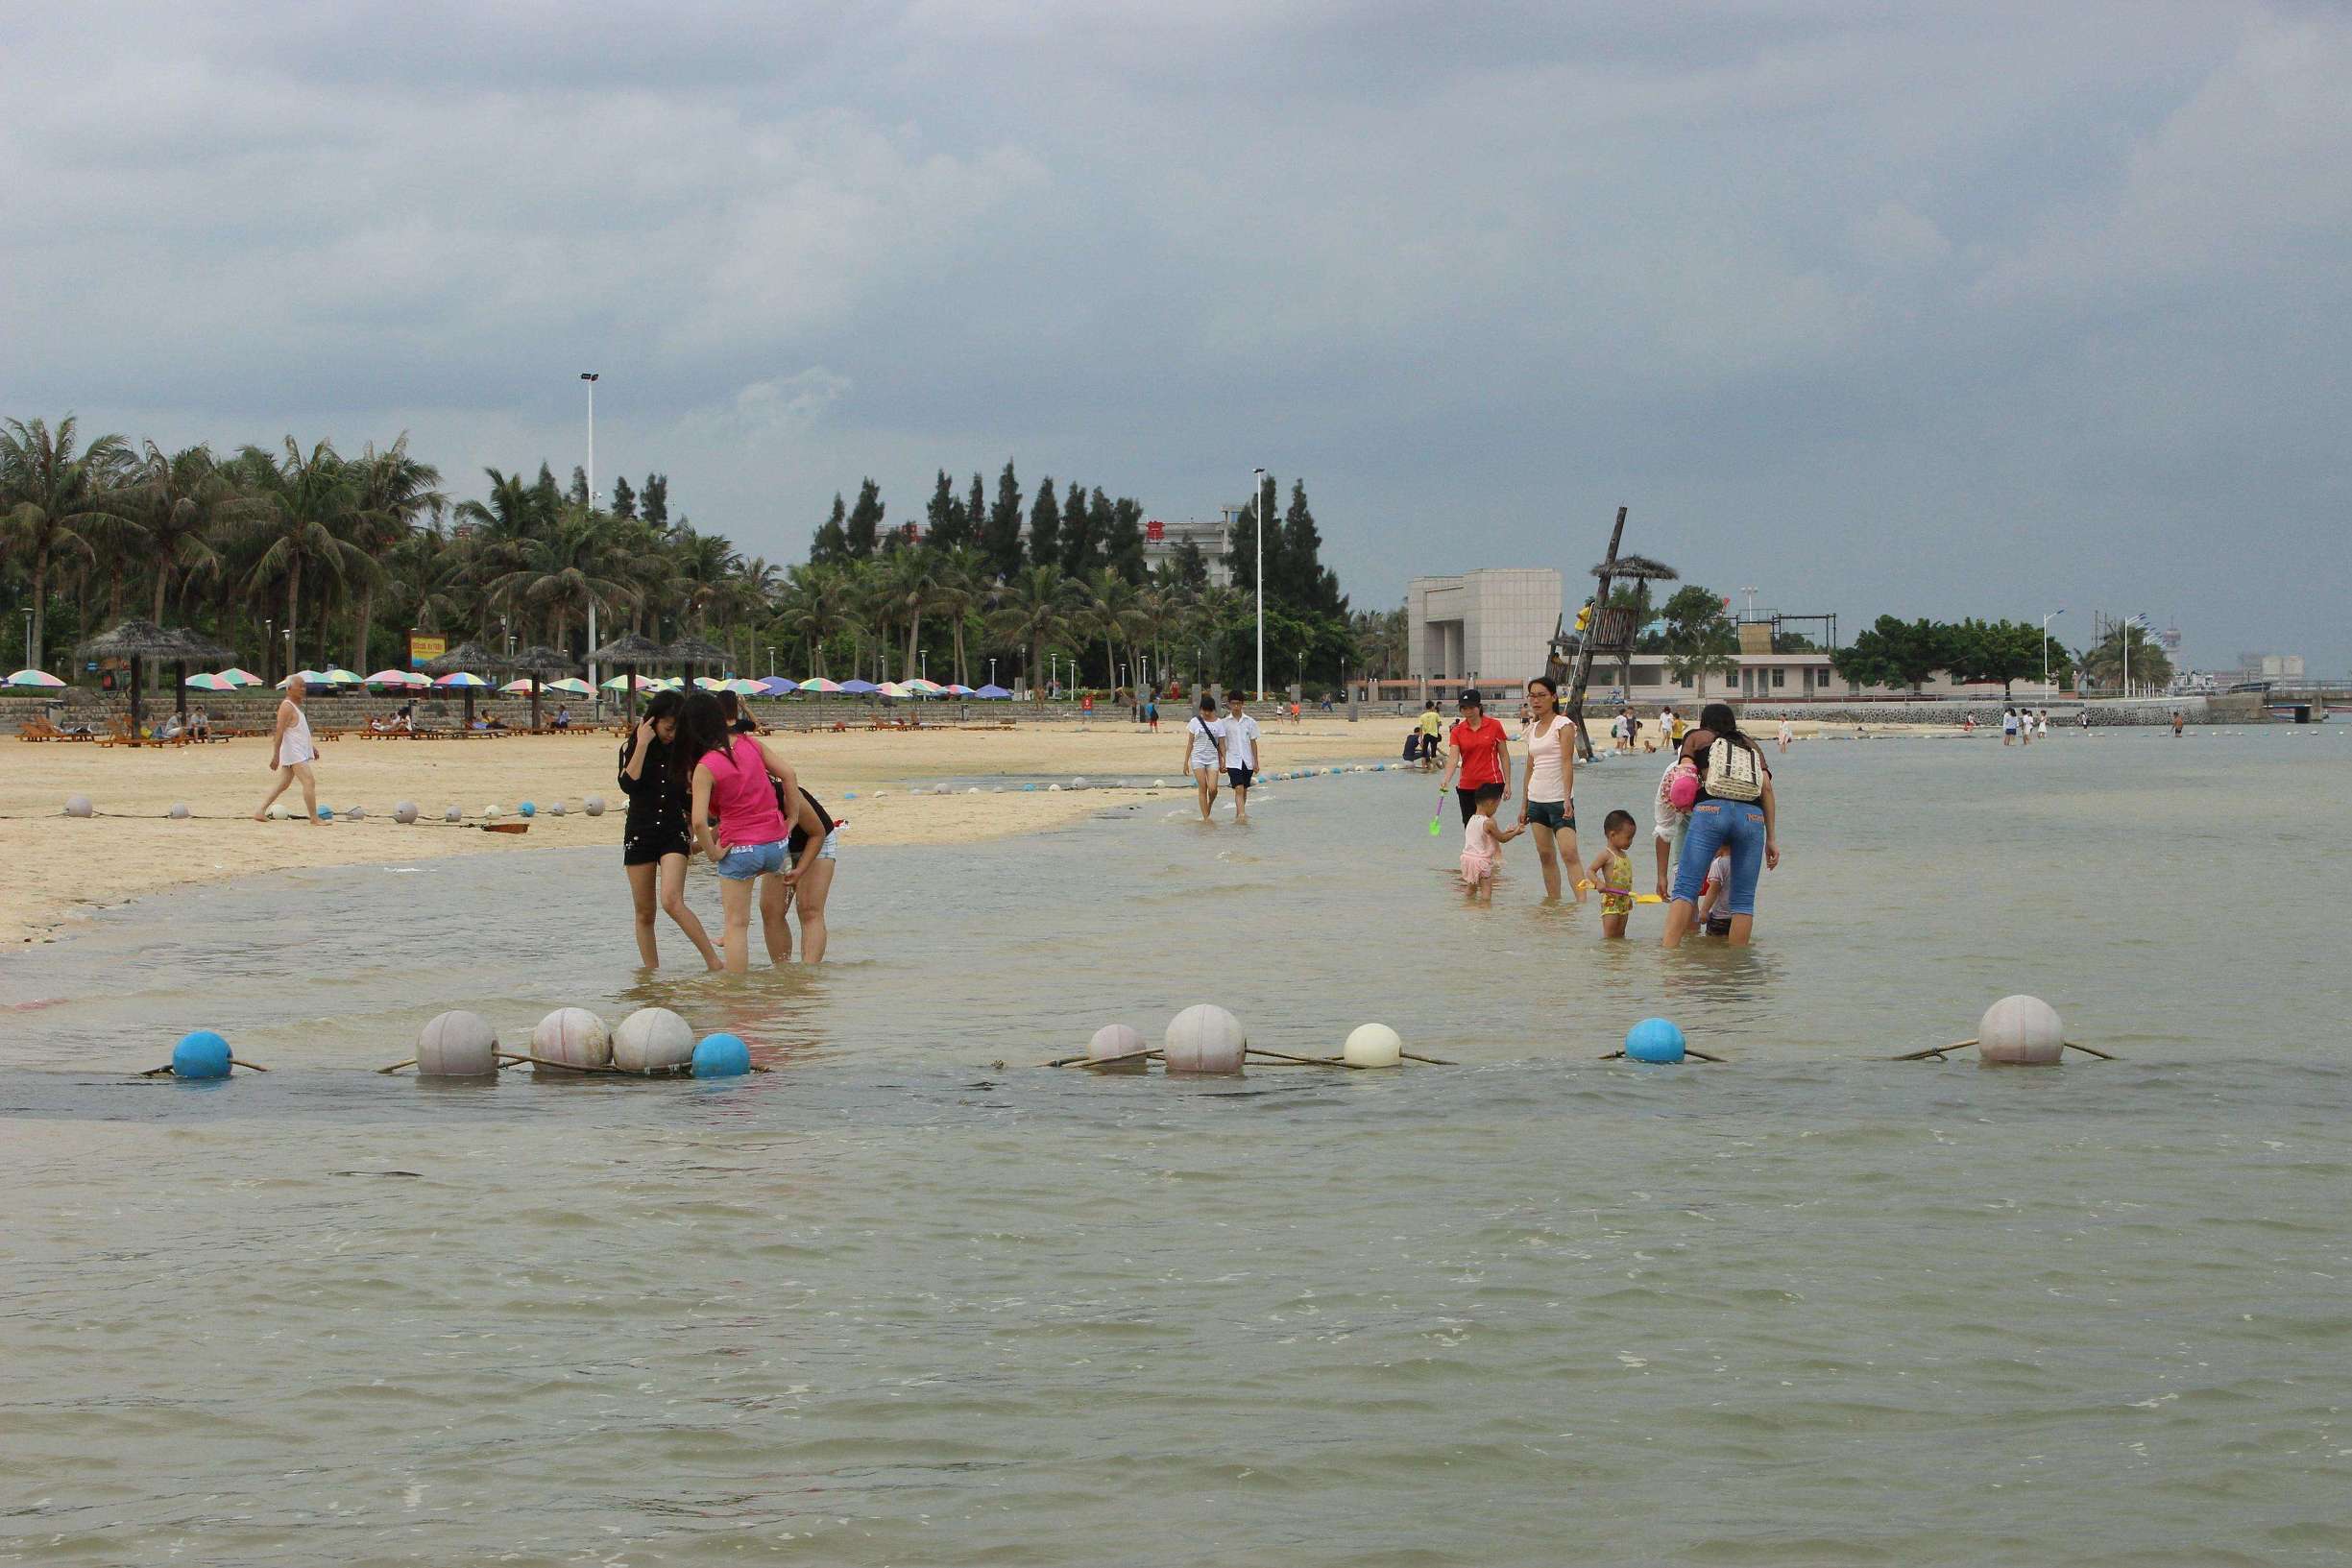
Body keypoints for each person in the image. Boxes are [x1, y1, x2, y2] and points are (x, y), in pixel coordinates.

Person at [681, 690, 800, 973]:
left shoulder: (706, 765)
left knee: (736, 925)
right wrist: (792, 817)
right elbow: (789, 775)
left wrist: (712, 853)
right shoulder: (752, 745)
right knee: (773, 915)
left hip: (740, 849)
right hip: (775, 846)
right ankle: (784, 974)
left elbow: (699, 821)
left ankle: (736, 995)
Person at [1661, 702, 1779, 949]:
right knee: (1743, 901)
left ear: (1705, 722)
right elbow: (1767, 789)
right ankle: (1736, 968)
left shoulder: (1696, 737)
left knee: (1685, 889)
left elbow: (1684, 775)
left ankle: (1669, 959)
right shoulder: (1751, 745)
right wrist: (1771, 838)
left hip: (1711, 810)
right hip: (1752, 817)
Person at [618, 690, 720, 971]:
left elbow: (690, 796)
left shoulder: (684, 752)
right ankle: (651, 976)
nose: (672, 734)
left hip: (673, 832)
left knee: (672, 901)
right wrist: (642, 743)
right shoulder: (633, 747)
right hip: (640, 833)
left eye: (678, 728)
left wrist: (718, 818)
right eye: (668, 727)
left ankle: (714, 962)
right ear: (654, 721)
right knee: (644, 912)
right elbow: (628, 784)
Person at [1517, 675, 1588, 903]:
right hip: (1536, 800)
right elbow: (1529, 767)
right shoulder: (1532, 728)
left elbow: (1567, 762)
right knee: (1546, 855)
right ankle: (1553, 904)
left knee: (1569, 853)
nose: (1536, 701)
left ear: (1554, 697)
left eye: (1541, 695)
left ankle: (1581, 904)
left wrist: (1567, 799)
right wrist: (1524, 803)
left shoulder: (1563, 725)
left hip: (1559, 799)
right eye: (1532, 696)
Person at [773, 779, 839, 962]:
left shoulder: (785, 794)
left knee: (809, 909)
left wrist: (801, 869)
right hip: (781, 844)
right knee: (772, 910)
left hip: (817, 839)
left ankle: (808, 975)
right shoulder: (737, 795)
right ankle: (782, 974)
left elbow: (817, 834)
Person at [252, 673, 319, 824]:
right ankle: (314, 818)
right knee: (309, 782)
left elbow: (299, 731)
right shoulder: (287, 706)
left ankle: (260, 810)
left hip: (297, 751)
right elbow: (279, 732)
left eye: (304, 686)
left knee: (283, 783)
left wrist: (311, 747)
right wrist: (275, 755)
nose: (303, 689)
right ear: (289, 689)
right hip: (294, 753)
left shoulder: (295, 707)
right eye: (300, 686)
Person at [1437, 688, 1510, 826]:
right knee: (1469, 825)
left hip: (1491, 783)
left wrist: (1508, 783)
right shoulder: (1457, 731)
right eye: (1463, 708)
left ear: (1479, 707)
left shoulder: (1494, 725)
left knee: (1484, 823)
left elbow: (1504, 756)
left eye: (1471, 707)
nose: (1467, 711)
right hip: (1466, 784)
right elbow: (1453, 758)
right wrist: (1446, 779)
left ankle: (1491, 847)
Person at [1460, 782, 1523, 903]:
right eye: (1496, 806)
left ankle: (1466, 909)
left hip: (1467, 859)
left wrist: (1508, 831)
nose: (1495, 810)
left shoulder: (1471, 819)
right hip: (1481, 862)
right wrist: (1515, 833)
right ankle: (1485, 915)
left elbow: (1493, 836)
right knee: (1486, 893)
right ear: (1490, 803)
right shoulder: (1489, 822)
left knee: (1471, 889)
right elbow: (1502, 839)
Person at [1591, 809, 1639, 938]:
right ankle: (1609, 957)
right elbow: (1590, 871)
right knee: (1610, 936)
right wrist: (1598, 883)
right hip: (1611, 900)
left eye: (1632, 838)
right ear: (1612, 835)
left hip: (1624, 900)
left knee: (1620, 935)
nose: (1630, 842)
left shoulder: (1624, 855)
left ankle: (1619, 956)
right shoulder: (1606, 855)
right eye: (1628, 838)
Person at [1182, 693, 1225, 823]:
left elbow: (1222, 744)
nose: (1206, 713)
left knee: (1213, 789)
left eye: (1209, 710)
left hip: (1213, 759)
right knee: (1203, 787)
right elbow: (1190, 743)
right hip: (1198, 758)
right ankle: (1206, 818)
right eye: (1203, 710)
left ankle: (1209, 805)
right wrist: (1185, 762)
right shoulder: (1195, 722)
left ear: (1213, 710)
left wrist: (1225, 760)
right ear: (1200, 709)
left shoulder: (1219, 723)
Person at [1223, 691, 1262, 823]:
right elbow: (1221, 744)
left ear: (1242, 704)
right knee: (1238, 787)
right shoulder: (1224, 723)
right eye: (1233, 704)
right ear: (1229, 704)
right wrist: (1221, 760)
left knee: (1244, 789)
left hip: (1247, 760)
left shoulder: (1250, 722)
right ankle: (1242, 815)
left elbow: (1253, 742)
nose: (1236, 706)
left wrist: (1256, 762)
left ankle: (1239, 812)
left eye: (1238, 704)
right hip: (1232, 760)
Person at [1417, 700, 1444, 767]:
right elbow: (1439, 723)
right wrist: (1437, 730)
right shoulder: (1436, 714)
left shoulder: (1422, 716)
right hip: (1434, 735)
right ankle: (1433, 768)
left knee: (1424, 753)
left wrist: (1421, 738)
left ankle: (1423, 767)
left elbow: (1420, 728)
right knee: (1433, 753)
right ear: (1432, 707)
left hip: (1426, 735)